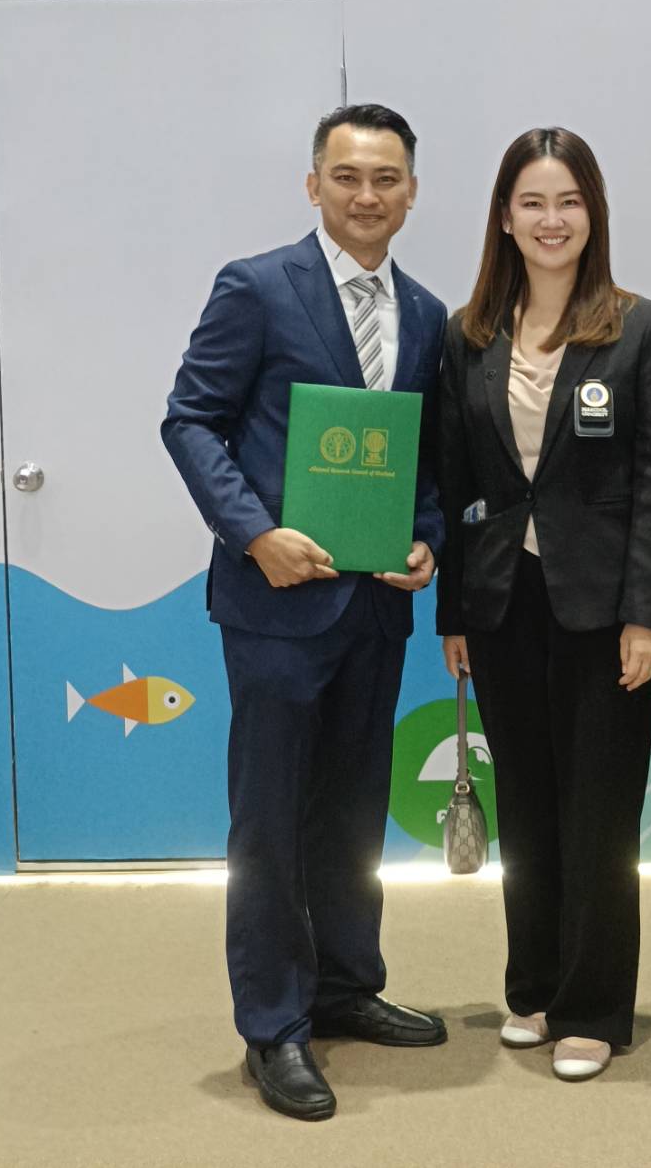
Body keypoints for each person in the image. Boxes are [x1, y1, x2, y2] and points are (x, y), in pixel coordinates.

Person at [162, 103, 448, 1121]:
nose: (367, 195)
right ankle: (273, 1024)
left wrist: (426, 539)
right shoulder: (255, 286)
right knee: (272, 817)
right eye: (348, 176)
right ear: (313, 184)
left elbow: (423, 458)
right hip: (275, 606)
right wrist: (254, 533)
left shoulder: (427, 314)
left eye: (386, 178)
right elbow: (190, 419)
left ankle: (344, 986)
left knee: (352, 809)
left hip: (372, 611)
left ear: (411, 192)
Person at [437, 127, 651, 1082]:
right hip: (503, 602)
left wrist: (648, 614)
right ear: (505, 216)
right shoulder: (468, 333)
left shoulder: (639, 326)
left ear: (594, 213)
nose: (552, 220)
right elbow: (456, 482)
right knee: (528, 805)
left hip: (605, 609)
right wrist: (455, 614)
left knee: (598, 813)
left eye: (569, 201)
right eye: (533, 202)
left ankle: (594, 1008)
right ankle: (535, 987)